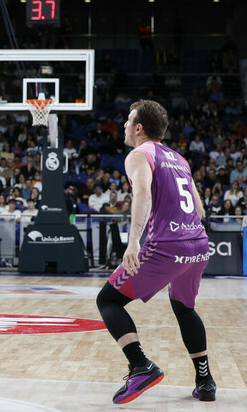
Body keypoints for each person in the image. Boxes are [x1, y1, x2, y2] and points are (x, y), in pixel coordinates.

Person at [96, 100, 215, 405]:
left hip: (167, 246)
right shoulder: (178, 158)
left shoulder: (139, 154)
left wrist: (134, 240)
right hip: (199, 245)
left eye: (127, 120)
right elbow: (199, 210)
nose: (123, 125)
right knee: (184, 308)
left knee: (108, 300)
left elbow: (143, 193)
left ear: (139, 128)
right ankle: (205, 382)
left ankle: (140, 365)